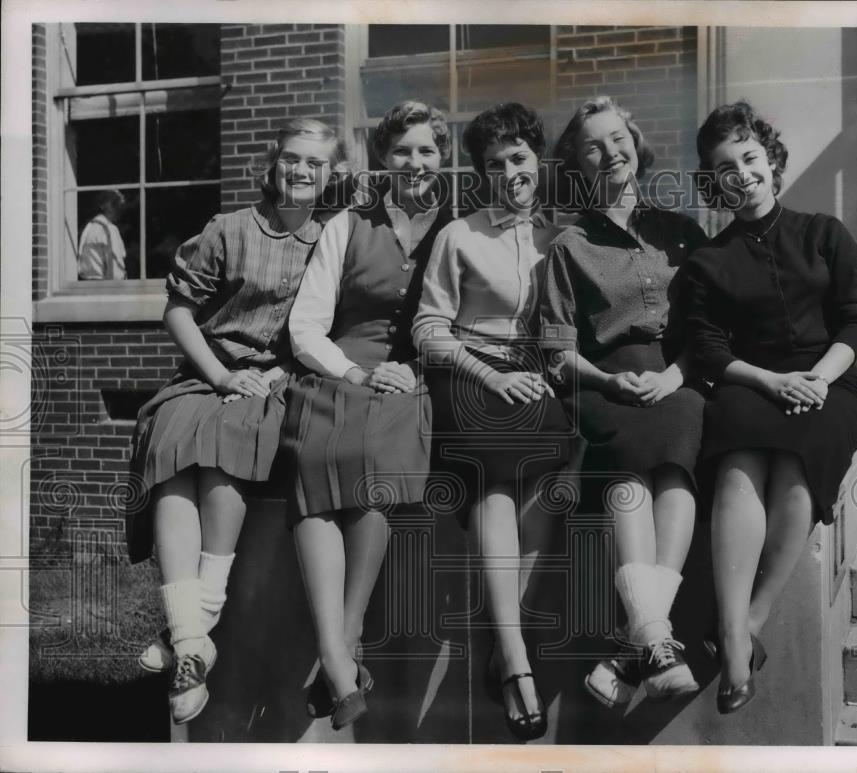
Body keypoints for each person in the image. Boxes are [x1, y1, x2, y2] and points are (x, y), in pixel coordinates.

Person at [128, 118, 347, 724]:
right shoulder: (228, 229)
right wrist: (220, 376)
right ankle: (193, 638)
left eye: (316, 162)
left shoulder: (332, 241)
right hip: (207, 372)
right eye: (291, 158)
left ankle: (185, 636)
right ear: (272, 164)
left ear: (332, 175)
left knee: (224, 461)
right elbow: (177, 312)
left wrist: (271, 375)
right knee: (171, 448)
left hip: (275, 380)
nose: (301, 170)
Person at [685, 101, 857, 713]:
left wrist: (816, 380)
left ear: (771, 162)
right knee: (739, 469)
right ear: (712, 183)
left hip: (828, 383)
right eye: (724, 167)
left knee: (797, 474)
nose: (741, 174)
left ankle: (741, 629)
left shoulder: (824, 233)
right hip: (749, 384)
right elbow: (707, 347)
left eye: (749, 158)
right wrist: (770, 382)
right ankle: (738, 639)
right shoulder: (708, 262)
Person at [278, 101, 454, 731]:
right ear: (384, 157)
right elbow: (305, 326)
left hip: (413, 377)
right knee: (321, 460)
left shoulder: (456, 228)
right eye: (402, 150)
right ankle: (338, 653)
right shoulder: (347, 224)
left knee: (377, 463)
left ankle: (342, 644)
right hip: (337, 371)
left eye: (427, 150)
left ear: (443, 156)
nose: (415, 162)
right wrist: (351, 372)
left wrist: (418, 372)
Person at [540, 96, 710, 709]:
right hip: (603, 379)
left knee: (681, 435)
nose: (610, 152)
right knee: (629, 450)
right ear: (578, 164)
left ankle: (635, 646)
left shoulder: (682, 232)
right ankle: (655, 641)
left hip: (675, 374)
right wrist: (609, 384)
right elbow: (557, 349)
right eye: (593, 145)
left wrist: (676, 374)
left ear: (635, 144)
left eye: (618, 138)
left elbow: (704, 328)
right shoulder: (569, 246)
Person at [412, 102, 572, 741]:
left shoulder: (561, 235)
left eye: (519, 158)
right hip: (468, 377)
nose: (510, 171)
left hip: (536, 380)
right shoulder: (460, 234)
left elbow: (562, 323)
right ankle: (512, 658)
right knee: (492, 474)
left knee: (567, 450)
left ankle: (517, 646)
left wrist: (559, 366)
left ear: (538, 161)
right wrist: (489, 373)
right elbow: (427, 329)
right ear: (481, 173)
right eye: (495, 163)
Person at [78, 189, 128, 280]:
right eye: (116, 204)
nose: (119, 209)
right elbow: (115, 270)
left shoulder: (89, 228)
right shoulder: (109, 229)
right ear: (106, 206)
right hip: (107, 286)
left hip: (87, 286)